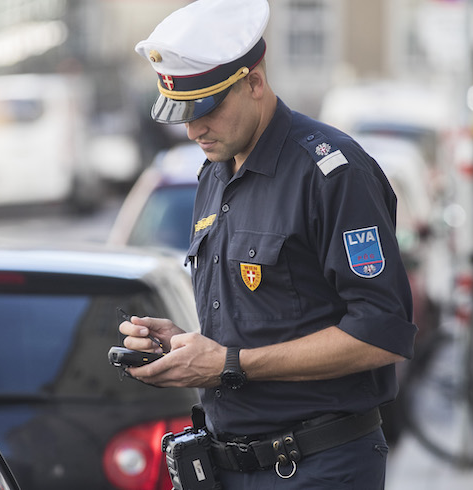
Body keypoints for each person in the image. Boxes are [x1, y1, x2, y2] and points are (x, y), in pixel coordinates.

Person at [119, 0, 418, 488]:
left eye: (207, 107)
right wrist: (182, 347)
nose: (193, 130)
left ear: (254, 82)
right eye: (183, 113)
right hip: (230, 464)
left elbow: (380, 333)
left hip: (318, 465)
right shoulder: (214, 174)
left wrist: (229, 365)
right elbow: (261, 321)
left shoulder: (333, 172)